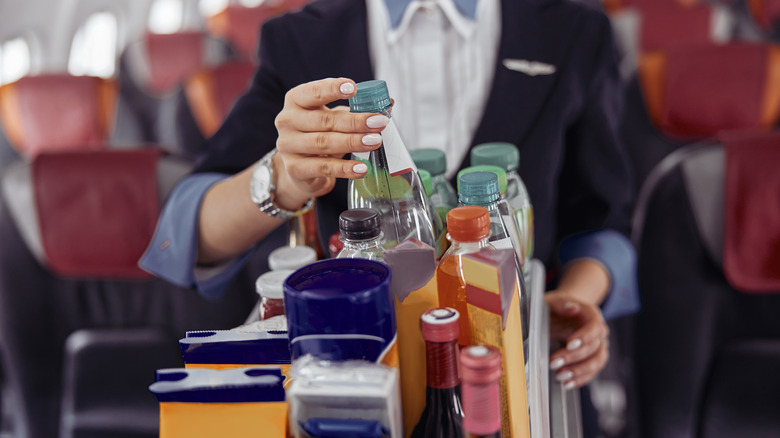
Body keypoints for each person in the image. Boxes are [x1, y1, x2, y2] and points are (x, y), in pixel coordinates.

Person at [140, 0, 639, 431]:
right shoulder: (303, 38)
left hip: (520, 362)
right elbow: (191, 230)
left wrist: (574, 299)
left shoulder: (573, 29)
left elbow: (603, 221)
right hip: (358, 373)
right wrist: (283, 177)